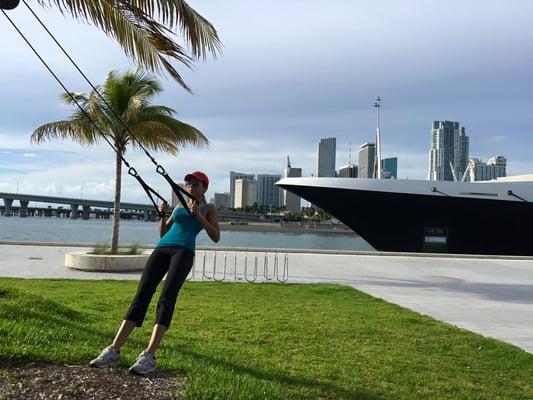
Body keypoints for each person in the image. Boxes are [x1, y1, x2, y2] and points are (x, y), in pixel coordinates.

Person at [90, 171, 220, 375]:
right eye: (188, 184)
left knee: (166, 298)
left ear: (204, 187)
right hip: (162, 248)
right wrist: (161, 216)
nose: (190, 187)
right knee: (141, 296)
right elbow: (164, 233)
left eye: (195, 184)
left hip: (184, 251)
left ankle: (149, 355)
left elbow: (216, 236)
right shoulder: (179, 205)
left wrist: (200, 216)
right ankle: (113, 350)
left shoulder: (208, 207)